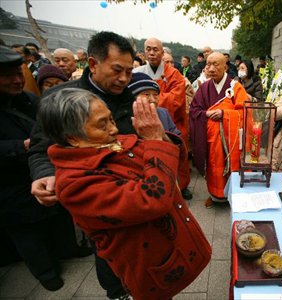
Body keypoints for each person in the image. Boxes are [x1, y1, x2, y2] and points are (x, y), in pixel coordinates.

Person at [39, 88, 211, 299]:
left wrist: (159, 138)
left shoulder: (113, 142)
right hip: (152, 266)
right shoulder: (74, 185)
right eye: (102, 125)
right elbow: (152, 200)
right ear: (73, 138)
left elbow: (174, 173)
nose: (113, 129)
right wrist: (155, 141)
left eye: (111, 119)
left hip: (179, 245)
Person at [29, 31, 138, 300]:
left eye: (129, 71)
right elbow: (40, 148)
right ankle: (116, 293)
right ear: (92, 63)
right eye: (117, 70)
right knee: (108, 254)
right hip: (97, 201)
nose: (124, 78)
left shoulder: (131, 95)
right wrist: (44, 174)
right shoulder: (60, 100)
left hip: (134, 195)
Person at [0, 46, 89, 292]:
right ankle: (46, 272)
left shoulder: (29, 99)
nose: (18, 80)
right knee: (27, 233)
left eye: (19, 74)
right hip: (10, 186)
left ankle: (70, 249)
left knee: (59, 218)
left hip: (48, 171)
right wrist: (20, 147)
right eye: (8, 76)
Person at [134, 37, 192, 200]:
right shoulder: (137, 72)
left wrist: (149, 100)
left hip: (170, 119)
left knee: (179, 152)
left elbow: (177, 98)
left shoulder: (173, 74)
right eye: (148, 49)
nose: (152, 53)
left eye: (155, 49)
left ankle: (182, 185)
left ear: (162, 52)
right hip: (144, 117)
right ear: (144, 51)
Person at [190, 52, 247, 208]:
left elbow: (246, 112)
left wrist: (225, 114)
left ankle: (230, 196)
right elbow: (194, 110)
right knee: (212, 167)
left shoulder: (235, 87)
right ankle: (215, 196)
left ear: (225, 67)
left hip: (230, 140)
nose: (211, 68)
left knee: (229, 167)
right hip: (209, 137)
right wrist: (206, 113)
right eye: (208, 64)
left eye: (216, 64)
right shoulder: (204, 88)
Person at [128, 72, 182, 136]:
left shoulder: (164, 113)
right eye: (146, 94)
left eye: (155, 95)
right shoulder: (127, 117)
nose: (153, 100)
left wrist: (163, 136)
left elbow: (177, 139)